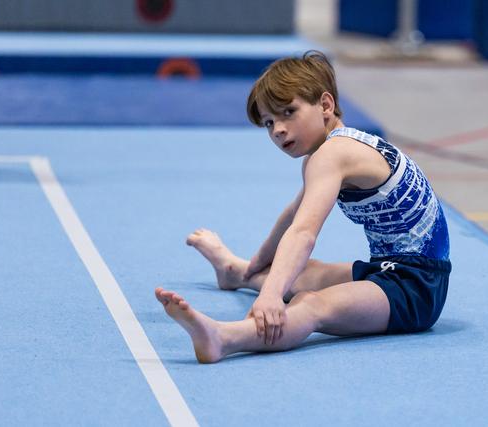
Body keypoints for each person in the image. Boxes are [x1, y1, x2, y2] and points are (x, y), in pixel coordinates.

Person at [155, 51, 451, 363]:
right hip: (389, 267)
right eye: (269, 123)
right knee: (303, 273)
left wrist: (270, 295)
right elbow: (294, 213)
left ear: (325, 105)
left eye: (288, 112)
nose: (278, 129)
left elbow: (304, 233)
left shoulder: (332, 155)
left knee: (310, 304)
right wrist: (259, 262)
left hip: (416, 289)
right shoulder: (331, 150)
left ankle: (223, 338)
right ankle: (236, 272)